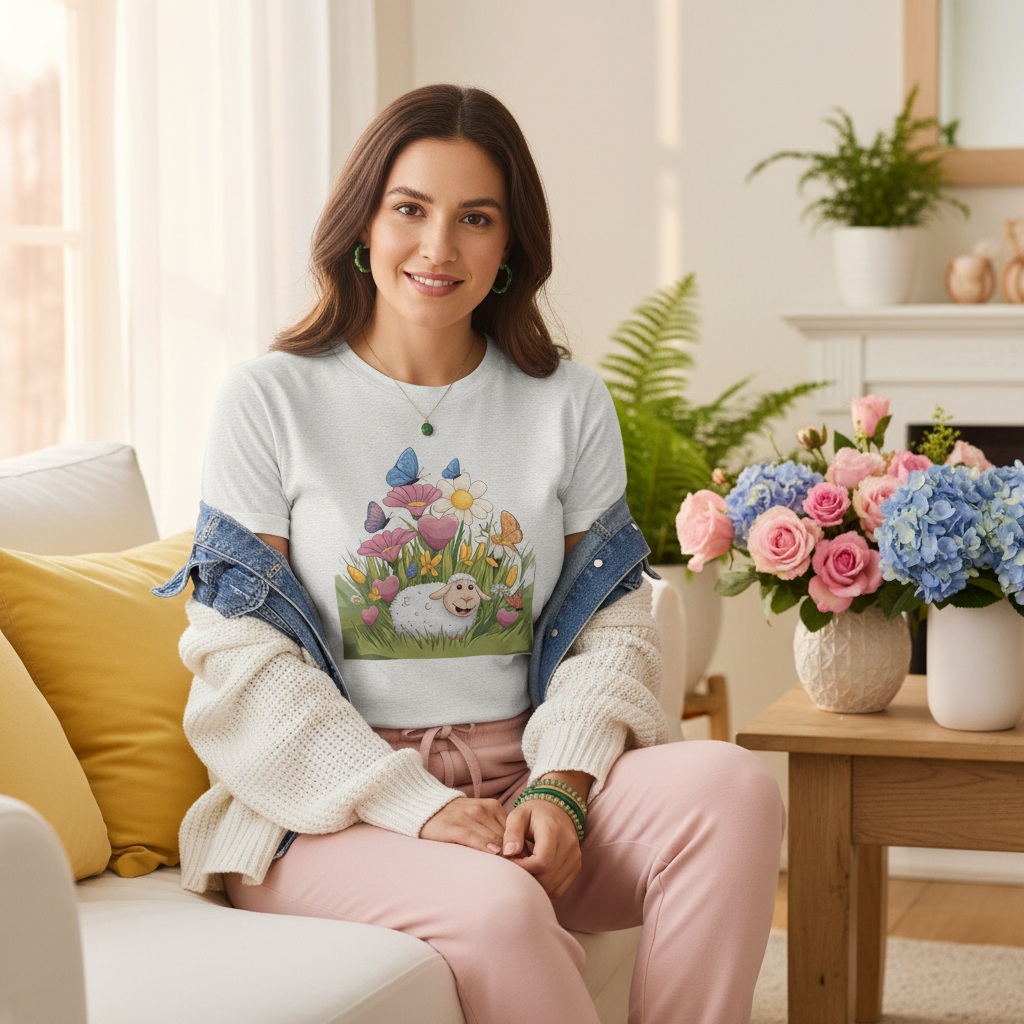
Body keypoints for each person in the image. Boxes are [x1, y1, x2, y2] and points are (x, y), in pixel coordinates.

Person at [157, 84, 785, 1024]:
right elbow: (242, 660)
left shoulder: (565, 403)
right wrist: (414, 805)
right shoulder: (269, 400)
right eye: (410, 208)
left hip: (525, 777)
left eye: (475, 218)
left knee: (735, 788)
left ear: (510, 247)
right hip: (329, 807)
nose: (438, 247)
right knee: (499, 906)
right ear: (363, 222)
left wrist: (565, 788)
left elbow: (611, 627)